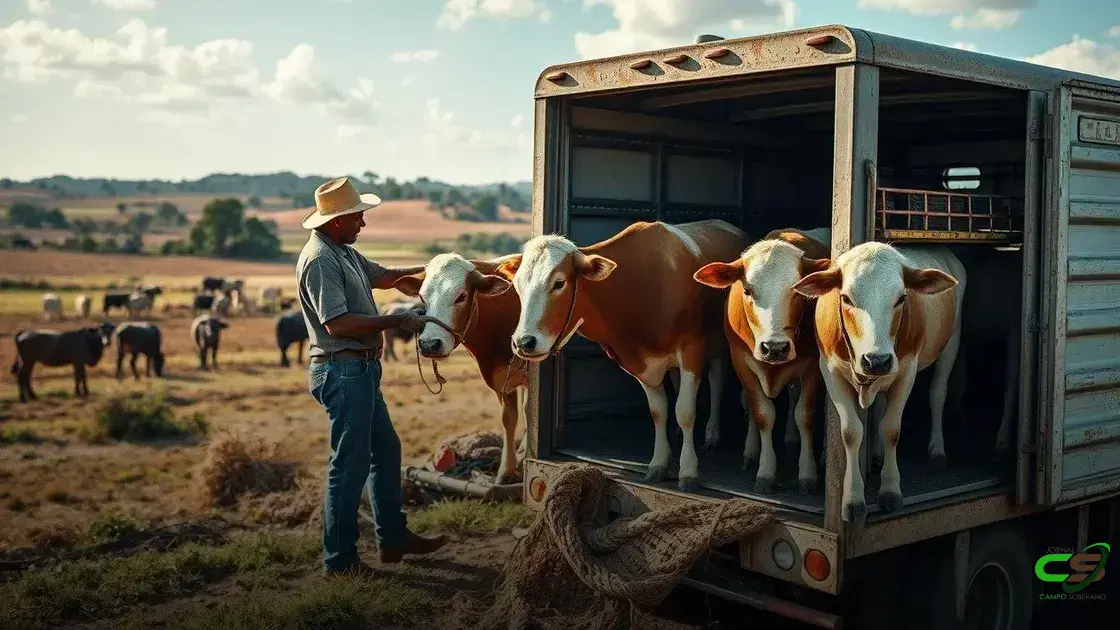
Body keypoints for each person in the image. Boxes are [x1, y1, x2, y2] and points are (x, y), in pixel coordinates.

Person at [296, 176, 446, 576]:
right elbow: (338, 324)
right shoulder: (321, 259)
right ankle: (340, 562)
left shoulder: (342, 250)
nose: (363, 223)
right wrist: (397, 320)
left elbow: (385, 276)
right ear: (336, 221)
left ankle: (392, 538)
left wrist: (438, 268)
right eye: (358, 216)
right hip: (342, 371)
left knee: (386, 452)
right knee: (349, 467)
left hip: (358, 370)